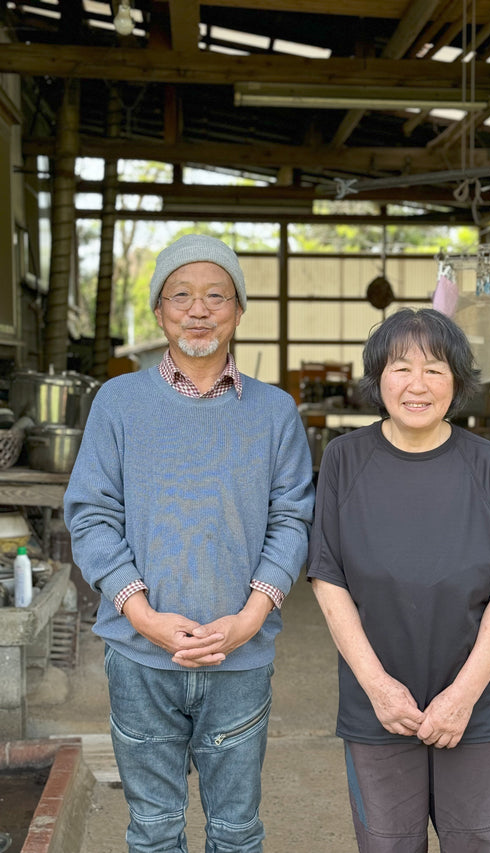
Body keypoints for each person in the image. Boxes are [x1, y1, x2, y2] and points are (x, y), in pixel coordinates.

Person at [64, 234, 314, 853]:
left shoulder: (275, 411)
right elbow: (92, 514)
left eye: (215, 295)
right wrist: (143, 616)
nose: (197, 309)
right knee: (152, 829)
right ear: (158, 310)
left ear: (237, 310)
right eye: (181, 295)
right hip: (140, 656)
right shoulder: (118, 402)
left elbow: (292, 519)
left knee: (235, 830)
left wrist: (249, 619)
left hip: (241, 657)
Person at [307, 307, 490, 853]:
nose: (417, 385)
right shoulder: (344, 459)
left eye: (434, 369)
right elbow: (327, 578)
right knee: (387, 844)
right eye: (400, 368)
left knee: (480, 843)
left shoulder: (489, 465)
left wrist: (462, 696)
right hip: (378, 706)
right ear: (377, 378)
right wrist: (379, 688)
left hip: (475, 704)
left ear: (456, 383)